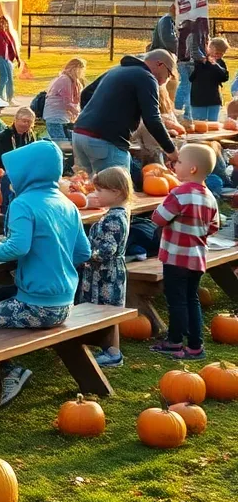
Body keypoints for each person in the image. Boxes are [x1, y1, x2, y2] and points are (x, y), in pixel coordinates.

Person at [0, 140, 91, 405]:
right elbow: (83, 253)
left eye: (13, 174)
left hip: (37, 305)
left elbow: (19, 247)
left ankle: (7, 373)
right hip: (65, 302)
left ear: (28, 173)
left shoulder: (23, 204)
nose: (9, 180)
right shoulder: (67, 204)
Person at [149, 143, 219, 361]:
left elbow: (158, 218)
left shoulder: (178, 193)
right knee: (192, 299)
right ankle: (196, 346)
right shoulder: (209, 196)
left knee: (176, 301)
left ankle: (175, 342)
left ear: (192, 169)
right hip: (197, 258)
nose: (174, 165)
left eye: (178, 162)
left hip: (176, 257)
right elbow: (214, 225)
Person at [74, 50, 177, 175]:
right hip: (106, 141)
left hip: (79, 134)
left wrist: (93, 119)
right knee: (119, 190)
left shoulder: (116, 70)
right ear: (160, 64)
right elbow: (152, 119)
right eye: (169, 74)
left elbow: (86, 94)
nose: (167, 80)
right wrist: (171, 150)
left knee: (89, 188)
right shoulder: (146, 77)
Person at [77, 167, 133, 368]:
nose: (95, 194)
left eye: (100, 191)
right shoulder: (114, 214)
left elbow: (106, 250)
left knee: (107, 312)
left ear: (116, 192)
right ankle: (105, 348)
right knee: (102, 311)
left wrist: (83, 255)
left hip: (106, 274)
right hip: (100, 272)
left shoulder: (114, 218)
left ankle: (113, 352)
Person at [42, 57, 86, 142]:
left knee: (69, 144)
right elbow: (67, 103)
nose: (81, 73)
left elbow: (79, 101)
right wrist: (81, 115)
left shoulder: (75, 82)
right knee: (62, 144)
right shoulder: (65, 80)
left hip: (64, 118)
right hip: (55, 117)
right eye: (80, 69)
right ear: (74, 69)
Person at [190, 36, 229, 121]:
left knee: (213, 123)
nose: (218, 56)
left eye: (221, 54)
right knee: (199, 123)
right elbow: (191, 77)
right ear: (209, 48)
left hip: (214, 99)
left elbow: (225, 77)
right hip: (199, 99)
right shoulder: (200, 61)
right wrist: (202, 62)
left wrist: (215, 65)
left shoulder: (220, 63)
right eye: (217, 52)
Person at [0, 14, 20, 103]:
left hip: (7, 59)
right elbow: (0, 46)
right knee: (4, 77)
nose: (2, 23)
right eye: (0, 22)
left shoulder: (9, 34)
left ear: (7, 23)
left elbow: (13, 46)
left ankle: (10, 98)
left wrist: (17, 58)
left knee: (10, 79)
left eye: (4, 22)